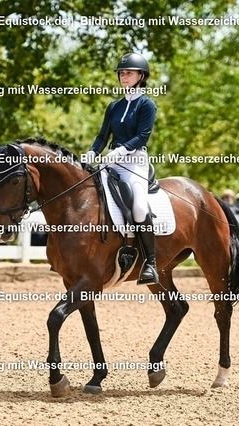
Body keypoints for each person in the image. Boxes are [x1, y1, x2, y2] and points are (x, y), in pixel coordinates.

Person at [83, 52, 158, 285]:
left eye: (129, 73)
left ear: (141, 76)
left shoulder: (147, 104)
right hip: (111, 161)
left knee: (139, 208)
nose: (124, 76)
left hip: (135, 163)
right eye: (121, 73)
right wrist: (93, 152)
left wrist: (122, 150)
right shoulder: (114, 106)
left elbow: (142, 136)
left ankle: (151, 263)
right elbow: (103, 136)